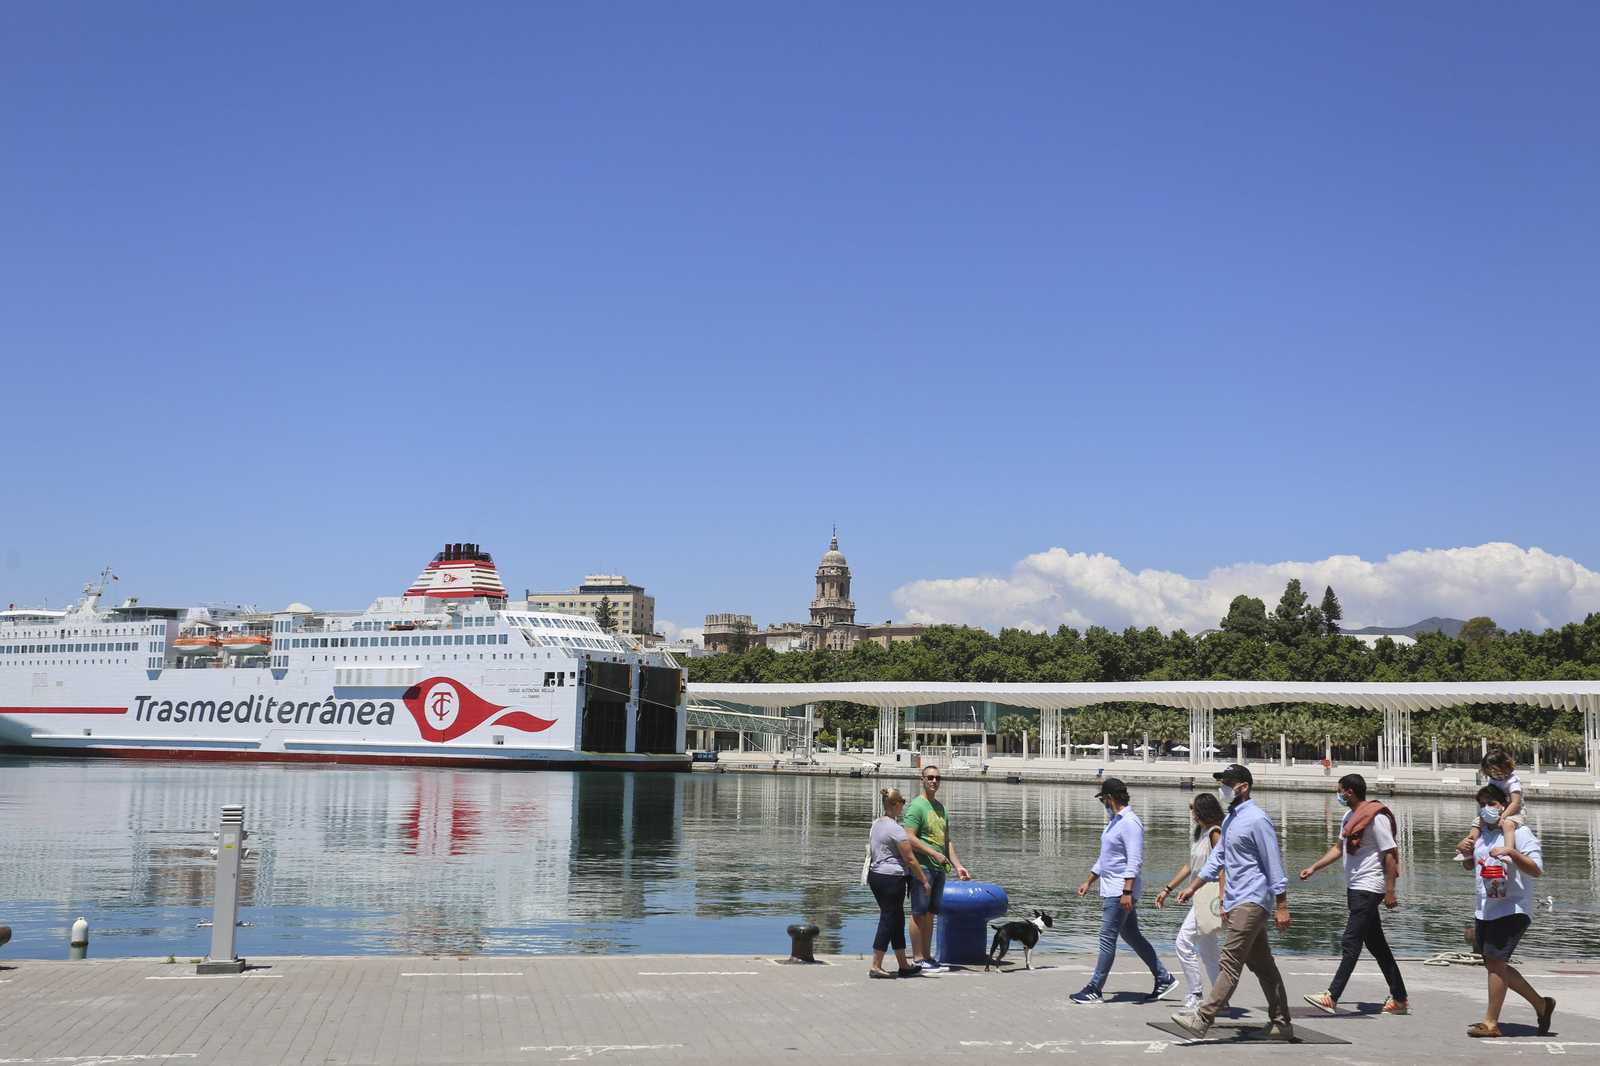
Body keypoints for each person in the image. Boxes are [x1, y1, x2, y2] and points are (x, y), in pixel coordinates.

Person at [1171, 764, 1293, 1040]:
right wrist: (1193, 886)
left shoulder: (1258, 820)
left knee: (1230, 960)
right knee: (1263, 966)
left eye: (1228, 782)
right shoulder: (1230, 820)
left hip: (1253, 900)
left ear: (1244, 787)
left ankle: (1202, 1018)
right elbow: (1218, 860)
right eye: (1222, 782)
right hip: (1239, 900)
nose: (1223, 788)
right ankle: (1282, 1023)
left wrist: (1282, 905)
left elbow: (1274, 863)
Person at [1298, 773, 1410, 1015]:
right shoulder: (1350, 816)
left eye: (1340, 791)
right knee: (1376, 944)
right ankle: (1399, 999)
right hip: (1356, 887)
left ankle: (1332, 996)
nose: (1338, 795)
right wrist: (1315, 867)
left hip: (1369, 887)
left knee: (1350, 940)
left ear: (1349, 792)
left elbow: (1390, 852)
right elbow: (1339, 848)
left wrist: (1390, 889)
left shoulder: (1375, 817)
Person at [1071, 777, 1177, 1004]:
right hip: (1113, 888)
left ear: (1109, 797)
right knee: (1132, 936)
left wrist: (1127, 892)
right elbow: (1106, 858)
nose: (1103, 803)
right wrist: (1089, 880)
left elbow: (1134, 861)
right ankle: (1164, 977)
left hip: (1120, 891)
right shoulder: (1115, 822)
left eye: (1103, 799)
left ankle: (1095, 989)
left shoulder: (1130, 823)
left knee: (1107, 938)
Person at [1461, 783, 1555, 1038]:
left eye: (1492, 803)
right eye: (1482, 804)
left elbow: (1536, 870)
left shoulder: (1520, 833)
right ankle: (1542, 1004)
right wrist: (1466, 853)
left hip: (1512, 907)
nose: (1487, 809)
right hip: (1486, 907)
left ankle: (1491, 1023)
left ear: (1504, 805)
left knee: (1495, 963)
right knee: (1495, 965)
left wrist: (1511, 851)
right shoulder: (1483, 833)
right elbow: (1473, 866)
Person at [1155, 791, 1226, 1010]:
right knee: (1208, 951)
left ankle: (1196, 993)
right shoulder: (1201, 833)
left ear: (1203, 809)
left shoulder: (1215, 833)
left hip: (1209, 897)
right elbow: (1190, 865)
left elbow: (1223, 867)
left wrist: (1223, 899)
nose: (1191, 812)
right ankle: (1220, 1000)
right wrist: (1168, 889)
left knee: (1183, 942)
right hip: (1200, 895)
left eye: (1192, 808)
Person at [902, 764, 970, 971]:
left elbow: (946, 841)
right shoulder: (916, 807)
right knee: (918, 913)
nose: (934, 781)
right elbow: (908, 837)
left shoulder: (941, 808)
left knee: (930, 913)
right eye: (930, 777)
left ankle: (927, 956)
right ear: (922, 780)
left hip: (939, 869)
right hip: (922, 867)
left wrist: (958, 866)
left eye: (937, 778)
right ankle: (917, 958)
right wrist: (932, 853)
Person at [866, 787, 930, 978]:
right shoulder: (896, 830)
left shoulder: (877, 823)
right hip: (892, 879)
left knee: (896, 919)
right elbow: (910, 859)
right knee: (888, 919)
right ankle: (876, 965)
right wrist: (924, 881)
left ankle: (903, 964)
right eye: (902, 802)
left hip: (876, 876)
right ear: (896, 804)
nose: (904, 806)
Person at [1456, 748, 1525, 859]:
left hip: (1513, 812)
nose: (1493, 775)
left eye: (1495, 772)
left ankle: (1508, 851)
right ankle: (1468, 848)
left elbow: (1515, 803)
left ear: (1504, 766)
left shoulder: (1513, 783)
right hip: (1498, 809)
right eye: (1489, 773)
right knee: (1477, 822)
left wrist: (1503, 817)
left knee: (1508, 824)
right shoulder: (1493, 780)